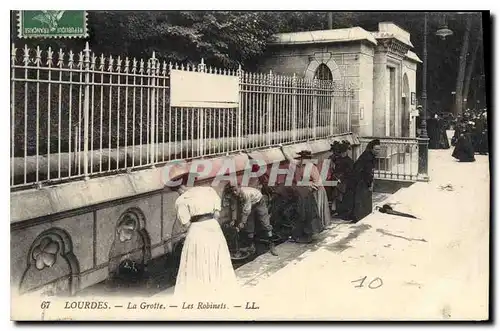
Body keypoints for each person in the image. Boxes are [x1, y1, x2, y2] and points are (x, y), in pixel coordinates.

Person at [169, 167, 238, 298]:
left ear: (181, 187)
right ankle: (217, 289)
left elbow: (186, 223)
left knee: (197, 260)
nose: (179, 193)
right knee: (216, 257)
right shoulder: (209, 190)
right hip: (213, 227)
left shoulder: (182, 200)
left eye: (178, 190)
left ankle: (199, 291)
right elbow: (217, 214)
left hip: (197, 230)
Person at [227, 183, 278, 256]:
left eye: (236, 190)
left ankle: (271, 244)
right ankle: (251, 246)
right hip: (250, 205)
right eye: (233, 191)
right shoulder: (233, 195)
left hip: (259, 202)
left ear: (239, 187)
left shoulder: (245, 193)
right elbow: (234, 207)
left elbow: (246, 210)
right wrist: (233, 219)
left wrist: (242, 223)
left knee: (265, 223)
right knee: (249, 225)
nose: (235, 193)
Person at [293, 150, 332, 230]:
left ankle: (320, 225)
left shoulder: (311, 167)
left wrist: (309, 184)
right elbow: (298, 181)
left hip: (318, 190)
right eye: (302, 158)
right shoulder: (301, 166)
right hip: (311, 190)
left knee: (317, 207)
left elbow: (318, 182)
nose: (303, 160)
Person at [348, 139, 381, 222]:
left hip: (360, 180)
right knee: (363, 200)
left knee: (361, 200)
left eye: (379, 149)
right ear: (371, 149)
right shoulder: (368, 158)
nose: (378, 151)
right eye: (376, 149)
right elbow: (368, 173)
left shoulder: (368, 155)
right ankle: (361, 218)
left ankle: (360, 217)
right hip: (361, 181)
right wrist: (369, 184)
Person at [331, 141, 355, 219]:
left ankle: (343, 211)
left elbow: (350, 173)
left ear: (346, 152)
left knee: (342, 195)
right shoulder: (338, 160)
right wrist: (336, 177)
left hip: (346, 181)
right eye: (341, 152)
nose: (342, 154)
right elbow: (335, 170)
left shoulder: (349, 161)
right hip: (338, 180)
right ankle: (338, 211)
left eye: (343, 152)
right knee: (337, 195)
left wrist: (341, 178)